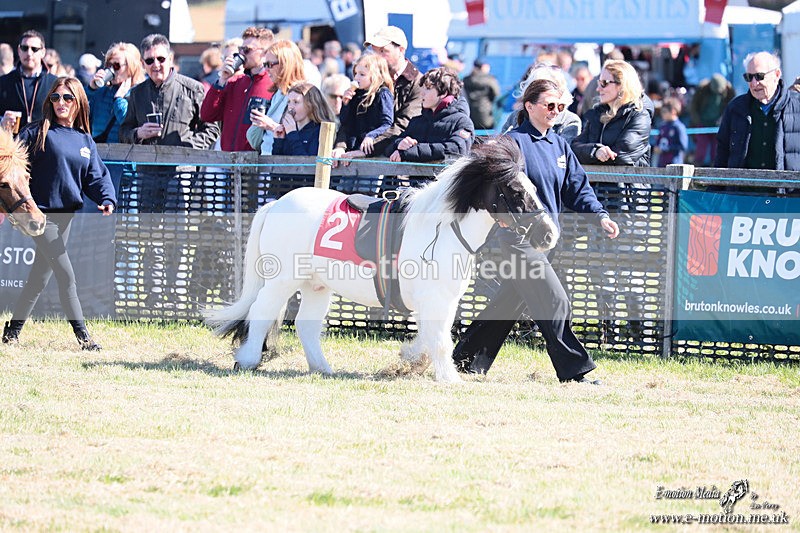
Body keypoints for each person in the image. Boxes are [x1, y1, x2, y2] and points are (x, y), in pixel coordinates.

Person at [451, 79, 620, 381]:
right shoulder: (513, 143)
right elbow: (493, 184)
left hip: (547, 240)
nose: (556, 111)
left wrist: (600, 215)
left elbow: (577, 189)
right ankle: (574, 371)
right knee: (555, 299)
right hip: (516, 239)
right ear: (529, 106)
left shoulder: (559, 145)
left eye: (560, 106)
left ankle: (464, 359)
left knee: (507, 304)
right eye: (549, 105)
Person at [1, 77, 116, 350]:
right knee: (66, 276)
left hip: (67, 217)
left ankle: (12, 332)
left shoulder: (85, 139)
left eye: (67, 98)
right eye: (55, 97)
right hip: (39, 216)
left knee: (39, 277)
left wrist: (107, 198)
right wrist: (5, 131)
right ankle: (84, 338)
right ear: (49, 101)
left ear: (78, 102)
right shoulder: (37, 132)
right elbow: (9, 162)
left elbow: (95, 176)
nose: (61, 103)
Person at [119, 34, 219, 148]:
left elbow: (212, 130)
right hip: (147, 163)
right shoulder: (137, 93)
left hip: (182, 164)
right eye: (149, 60)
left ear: (170, 59)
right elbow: (123, 132)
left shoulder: (193, 89)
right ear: (143, 64)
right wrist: (138, 133)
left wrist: (189, 147)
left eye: (161, 59)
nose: (156, 65)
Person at [715, 51, 800, 171]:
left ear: (776, 75)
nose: (754, 83)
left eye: (760, 76)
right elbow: (722, 154)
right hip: (741, 189)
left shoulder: (797, 105)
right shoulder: (735, 109)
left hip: (788, 189)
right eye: (749, 77)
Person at [201, 26, 275, 152]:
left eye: (247, 50)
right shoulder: (236, 83)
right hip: (228, 162)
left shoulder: (273, 85)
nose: (241, 54)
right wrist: (222, 80)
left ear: (264, 53)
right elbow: (207, 115)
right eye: (241, 49)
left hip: (256, 164)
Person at [571, 59, 653, 166]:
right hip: (594, 182)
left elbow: (622, 155)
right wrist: (595, 151)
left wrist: (595, 154)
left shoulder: (639, 114)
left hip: (625, 182)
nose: (598, 89)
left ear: (622, 85)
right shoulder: (597, 112)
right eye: (599, 83)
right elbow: (574, 149)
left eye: (604, 83)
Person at [387, 67, 473, 162]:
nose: (422, 94)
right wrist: (399, 144)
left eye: (428, 89)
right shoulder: (417, 121)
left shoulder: (462, 121)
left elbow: (456, 149)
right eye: (422, 89)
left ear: (443, 93)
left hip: (444, 176)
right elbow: (389, 147)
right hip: (415, 176)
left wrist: (410, 151)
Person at [362, 26, 424, 156]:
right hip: (365, 154)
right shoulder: (369, 79)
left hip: (396, 158)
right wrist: (341, 146)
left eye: (383, 51)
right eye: (374, 52)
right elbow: (353, 120)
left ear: (401, 50)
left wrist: (366, 148)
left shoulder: (419, 82)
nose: (377, 57)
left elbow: (403, 125)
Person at [246, 39, 307, 156]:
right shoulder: (278, 92)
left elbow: (305, 135)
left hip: (285, 166)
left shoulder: (303, 94)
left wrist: (271, 125)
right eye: (264, 65)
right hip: (267, 161)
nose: (266, 69)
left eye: (270, 64)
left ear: (285, 64)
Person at [331, 53, 394, 160]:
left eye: (362, 74)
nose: (356, 77)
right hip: (353, 147)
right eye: (355, 73)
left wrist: (371, 135)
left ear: (375, 76)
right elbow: (345, 122)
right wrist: (345, 104)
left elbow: (387, 122)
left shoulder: (383, 94)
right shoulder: (356, 94)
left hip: (371, 151)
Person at [500, 62, 581, 143]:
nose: (555, 111)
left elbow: (563, 152)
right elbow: (503, 148)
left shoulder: (569, 121)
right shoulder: (516, 117)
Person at [87, 42, 146, 145]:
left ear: (131, 67)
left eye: (116, 66)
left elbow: (129, 124)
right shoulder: (103, 92)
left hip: (124, 155)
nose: (111, 70)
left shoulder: (141, 92)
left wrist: (119, 99)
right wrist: (91, 89)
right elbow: (78, 112)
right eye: (109, 65)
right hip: (99, 153)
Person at [0, 30, 59, 133]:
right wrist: (1, 121)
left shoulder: (55, 83)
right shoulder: (3, 82)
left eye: (34, 49)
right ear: (19, 50)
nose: (29, 53)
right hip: (13, 145)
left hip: (45, 144)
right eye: (24, 48)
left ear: (42, 52)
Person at [272, 82, 336, 156]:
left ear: (310, 104)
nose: (290, 107)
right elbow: (277, 164)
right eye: (289, 102)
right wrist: (279, 141)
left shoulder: (320, 130)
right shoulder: (288, 130)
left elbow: (307, 164)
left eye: (296, 102)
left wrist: (292, 134)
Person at [689, 73, 734, 166]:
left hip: (719, 126)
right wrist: (697, 121)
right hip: (702, 124)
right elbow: (693, 106)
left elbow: (732, 107)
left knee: (717, 149)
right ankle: (696, 168)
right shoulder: (702, 89)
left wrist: (724, 120)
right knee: (700, 149)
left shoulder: (729, 91)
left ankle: (715, 168)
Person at [463, 58, 501, 131]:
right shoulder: (490, 80)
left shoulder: (466, 79)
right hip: (486, 118)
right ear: (484, 67)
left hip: (469, 116)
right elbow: (497, 95)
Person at [653, 97, 688, 167]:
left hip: (674, 164)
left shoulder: (679, 127)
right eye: (662, 112)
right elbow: (658, 142)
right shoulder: (662, 126)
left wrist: (666, 149)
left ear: (673, 111)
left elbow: (683, 146)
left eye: (664, 112)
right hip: (661, 164)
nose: (662, 114)